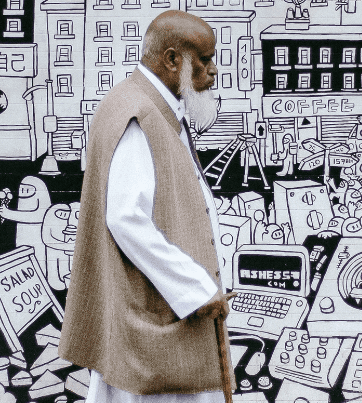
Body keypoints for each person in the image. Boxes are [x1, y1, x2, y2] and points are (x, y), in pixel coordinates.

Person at [58, 9, 236, 401]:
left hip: (158, 315)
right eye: (204, 60)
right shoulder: (139, 112)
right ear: (172, 59)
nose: (213, 71)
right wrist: (195, 289)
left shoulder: (146, 103)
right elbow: (125, 218)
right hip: (157, 323)